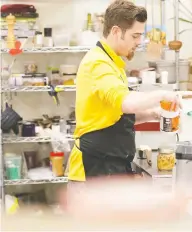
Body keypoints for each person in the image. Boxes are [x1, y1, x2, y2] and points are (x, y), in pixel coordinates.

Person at [68, 0, 180, 184]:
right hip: (93, 171)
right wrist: (163, 95)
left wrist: (152, 114)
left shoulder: (113, 63)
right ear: (116, 32)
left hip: (109, 167)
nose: (139, 42)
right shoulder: (98, 63)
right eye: (135, 36)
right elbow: (126, 102)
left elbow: (116, 115)